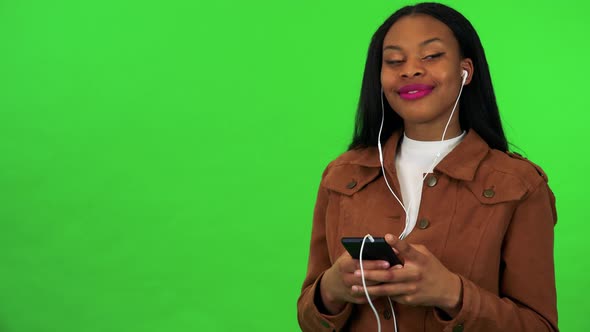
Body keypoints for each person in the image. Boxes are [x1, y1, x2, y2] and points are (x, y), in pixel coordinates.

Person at [297, 2, 558, 332]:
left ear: (466, 70)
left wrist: (451, 294)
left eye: (431, 56)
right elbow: (308, 317)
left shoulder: (520, 185)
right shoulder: (341, 175)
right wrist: (330, 290)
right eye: (394, 61)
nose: (410, 70)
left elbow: (539, 326)